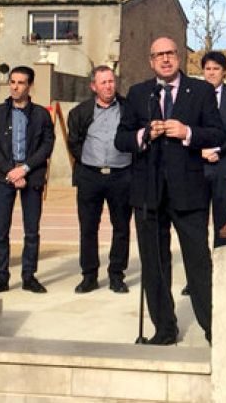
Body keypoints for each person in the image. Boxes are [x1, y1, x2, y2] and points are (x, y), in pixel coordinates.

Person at [114, 36, 225, 345]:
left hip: (189, 193)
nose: (165, 59)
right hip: (148, 193)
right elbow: (121, 140)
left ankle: (214, 328)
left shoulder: (201, 91)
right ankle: (164, 328)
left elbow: (217, 132)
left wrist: (187, 132)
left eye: (170, 54)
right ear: (151, 61)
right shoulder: (139, 94)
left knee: (198, 262)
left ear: (180, 57)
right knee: (154, 263)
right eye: (158, 55)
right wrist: (142, 134)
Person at [180, 51, 226, 297]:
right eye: (207, 68)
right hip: (197, 167)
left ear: (225, 72)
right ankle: (197, 279)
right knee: (196, 225)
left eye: (216, 69)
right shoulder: (191, 95)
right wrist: (200, 150)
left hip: (225, 165)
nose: (211, 73)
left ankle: (221, 274)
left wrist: (217, 148)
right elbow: (185, 127)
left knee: (223, 223)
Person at [0, 66, 55, 294]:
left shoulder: (41, 115)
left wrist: (24, 169)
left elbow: (47, 146)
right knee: (1, 230)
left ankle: (29, 276)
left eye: (20, 82)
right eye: (12, 82)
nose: (15, 87)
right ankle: (1, 276)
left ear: (30, 85)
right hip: (4, 178)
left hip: (31, 177)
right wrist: (10, 171)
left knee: (31, 230)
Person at [67, 65, 132, 294]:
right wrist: (88, 161)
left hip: (122, 175)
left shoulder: (128, 109)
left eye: (111, 81)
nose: (108, 86)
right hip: (90, 177)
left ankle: (116, 275)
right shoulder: (79, 112)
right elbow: (73, 142)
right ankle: (89, 275)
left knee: (121, 227)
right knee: (88, 228)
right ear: (93, 86)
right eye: (103, 82)